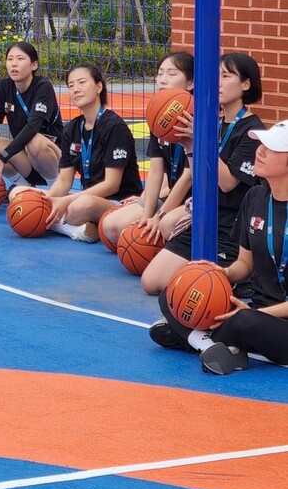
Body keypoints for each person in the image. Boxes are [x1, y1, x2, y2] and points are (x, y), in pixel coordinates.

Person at [144, 52, 263, 312]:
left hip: (231, 225)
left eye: (226, 76)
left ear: (246, 85)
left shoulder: (253, 130)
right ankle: (210, 276)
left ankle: (237, 277)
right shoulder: (215, 123)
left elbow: (227, 183)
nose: (217, 82)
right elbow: (201, 178)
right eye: (215, 76)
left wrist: (202, 140)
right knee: (150, 282)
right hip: (204, 214)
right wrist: (190, 146)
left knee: (189, 292)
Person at [195, 119, 288, 375]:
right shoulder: (256, 197)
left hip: (273, 319)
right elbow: (245, 265)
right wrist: (222, 273)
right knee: (178, 289)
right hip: (254, 310)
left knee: (244, 321)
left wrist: (255, 314)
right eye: (261, 144)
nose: (260, 151)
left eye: (272, 148)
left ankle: (198, 338)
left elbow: (250, 316)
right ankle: (216, 345)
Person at [99, 51, 194, 249]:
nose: (163, 79)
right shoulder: (158, 115)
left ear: (190, 83)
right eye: (160, 73)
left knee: (145, 235)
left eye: (172, 73)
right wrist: (146, 216)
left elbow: (188, 177)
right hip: (170, 195)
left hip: (191, 199)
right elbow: (156, 170)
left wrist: (160, 216)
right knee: (111, 227)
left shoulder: (196, 118)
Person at [44, 62, 142, 243]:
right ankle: (80, 228)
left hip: (119, 202)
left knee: (80, 206)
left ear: (99, 87)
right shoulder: (72, 128)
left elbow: (112, 185)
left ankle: (65, 226)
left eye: (81, 82)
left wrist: (66, 201)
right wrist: (46, 201)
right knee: (21, 194)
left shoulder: (114, 127)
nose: (75, 89)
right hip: (87, 198)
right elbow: (65, 181)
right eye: (71, 85)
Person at [0, 41, 62, 191]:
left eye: (20, 59)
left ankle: (56, 190)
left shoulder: (43, 87)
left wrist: (2, 157)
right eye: (10, 59)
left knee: (35, 140)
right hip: (25, 158)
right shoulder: (4, 87)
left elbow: (33, 127)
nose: (14, 64)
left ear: (34, 65)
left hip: (53, 159)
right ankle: (24, 187)